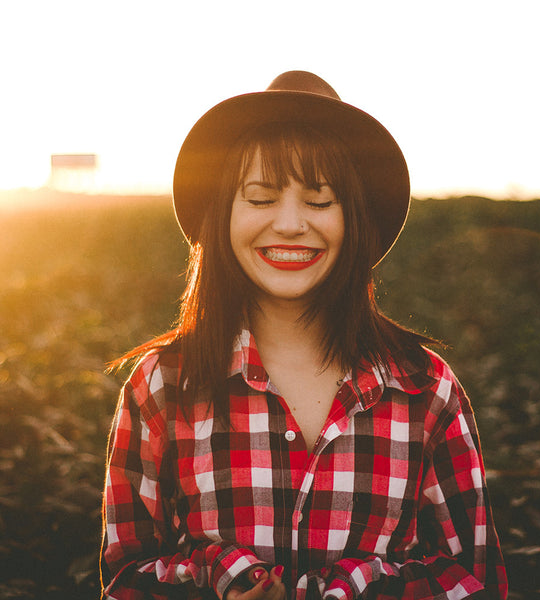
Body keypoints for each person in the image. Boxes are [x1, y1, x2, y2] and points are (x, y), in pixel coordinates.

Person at [101, 71, 508, 600]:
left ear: (354, 218)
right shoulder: (161, 385)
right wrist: (216, 578)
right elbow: (125, 579)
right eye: (261, 198)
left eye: (320, 201)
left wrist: (352, 590)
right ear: (222, 215)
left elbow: (474, 582)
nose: (291, 224)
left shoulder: (426, 389)